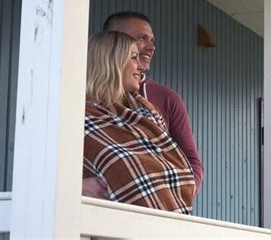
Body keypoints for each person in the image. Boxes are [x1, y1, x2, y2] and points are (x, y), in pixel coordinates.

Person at [83, 12, 203, 199]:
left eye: (152, 40)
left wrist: (169, 200)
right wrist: (74, 187)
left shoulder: (161, 101)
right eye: (141, 38)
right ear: (112, 46)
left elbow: (188, 162)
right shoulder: (77, 106)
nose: (151, 47)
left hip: (156, 216)